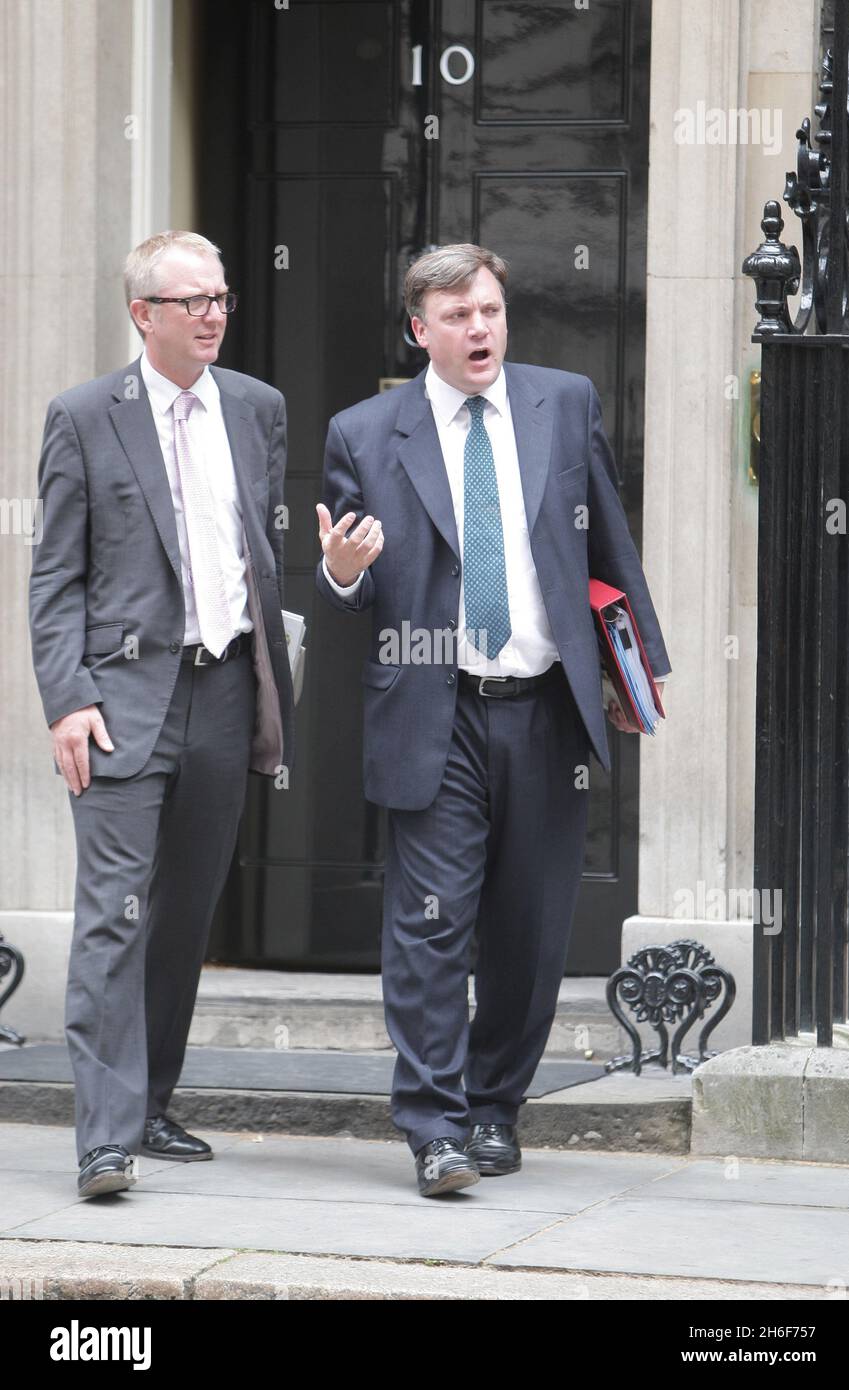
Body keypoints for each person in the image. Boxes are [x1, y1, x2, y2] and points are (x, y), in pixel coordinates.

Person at [315, 243, 671, 1197]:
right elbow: (346, 581)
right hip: (437, 709)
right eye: (457, 316)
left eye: (489, 311)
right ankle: (432, 1125)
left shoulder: (565, 402)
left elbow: (611, 538)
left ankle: (493, 1108)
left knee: (531, 927)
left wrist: (639, 668)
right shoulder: (363, 431)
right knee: (430, 928)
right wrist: (343, 573)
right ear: (417, 330)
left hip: (546, 707)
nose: (479, 329)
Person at [29, 231, 293, 1198]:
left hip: (226, 690)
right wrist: (68, 699)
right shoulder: (86, 415)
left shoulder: (259, 409)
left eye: (222, 296)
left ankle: (150, 1103)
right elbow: (54, 576)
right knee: (113, 917)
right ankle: (103, 1139)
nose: (215, 314)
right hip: (119, 703)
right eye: (193, 302)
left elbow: (257, 553)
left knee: (183, 911)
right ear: (144, 314)